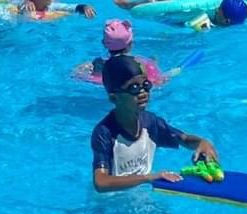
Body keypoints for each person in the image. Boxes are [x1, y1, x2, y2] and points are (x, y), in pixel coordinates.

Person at [91, 54, 220, 192]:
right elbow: (101, 182)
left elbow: (184, 139)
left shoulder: (150, 123)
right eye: (134, 88)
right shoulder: (104, 132)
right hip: (111, 206)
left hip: (145, 199)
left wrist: (202, 143)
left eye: (146, 85)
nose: (143, 92)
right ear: (114, 98)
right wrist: (148, 177)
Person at [112, 0, 247, 30]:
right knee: (165, 1)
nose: (217, 8)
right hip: (188, 15)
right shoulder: (206, 9)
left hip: (186, 21)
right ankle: (127, 3)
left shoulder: (229, 21)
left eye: (220, 10)